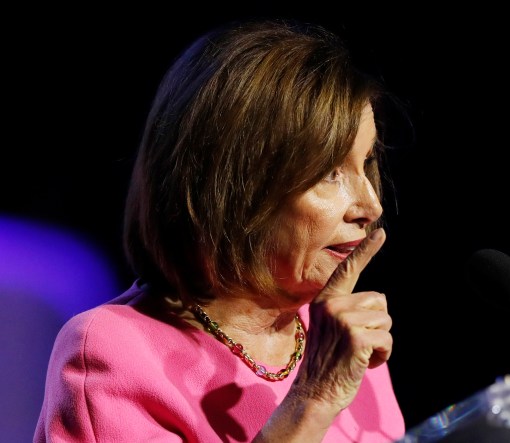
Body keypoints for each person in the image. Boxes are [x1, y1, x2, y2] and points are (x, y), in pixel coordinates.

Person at [35, 18, 406, 442]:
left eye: (367, 164)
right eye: (329, 172)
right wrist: (315, 398)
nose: (370, 206)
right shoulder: (111, 351)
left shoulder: (338, 335)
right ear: (236, 186)